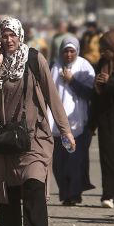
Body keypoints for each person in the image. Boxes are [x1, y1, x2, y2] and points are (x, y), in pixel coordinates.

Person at [0, 17, 74, 226]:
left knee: (33, 181)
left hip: (34, 136)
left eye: (13, 35)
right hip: (3, 136)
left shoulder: (33, 58)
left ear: (20, 36)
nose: (9, 39)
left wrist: (65, 130)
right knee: (8, 188)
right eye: (5, 35)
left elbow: (52, 95)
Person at [49, 35, 96, 206]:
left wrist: (72, 81)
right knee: (60, 162)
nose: (69, 55)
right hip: (58, 123)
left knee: (75, 160)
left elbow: (90, 93)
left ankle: (75, 193)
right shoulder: (55, 67)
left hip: (78, 121)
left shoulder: (84, 67)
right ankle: (65, 193)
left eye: (72, 51)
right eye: (65, 51)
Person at [90, 29, 114, 209]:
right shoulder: (102, 64)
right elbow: (97, 94)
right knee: (107, 156)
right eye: (102, 49)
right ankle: (109, 193)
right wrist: (98, 85)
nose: (103, 53)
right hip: (105, 116)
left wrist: (110, 82)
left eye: (106, 49)